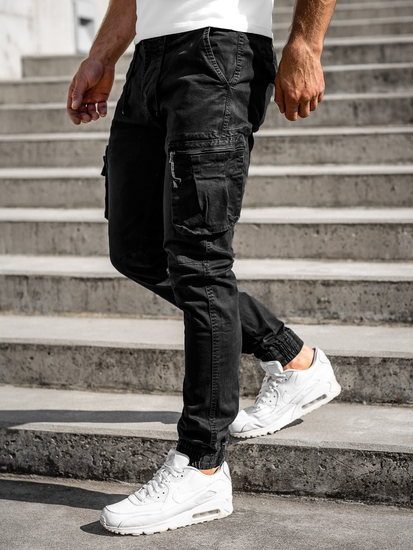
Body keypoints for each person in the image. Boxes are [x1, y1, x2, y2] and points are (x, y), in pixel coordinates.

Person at [67, 0, 340, 536]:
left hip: (219, 53)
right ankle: (293, 358)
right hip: (150, 58)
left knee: (200, 260)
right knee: (136, 249)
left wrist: (306, 43)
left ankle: (202, 465)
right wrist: (102, 55)